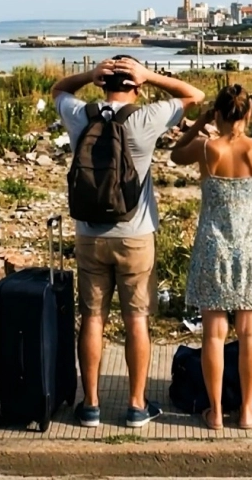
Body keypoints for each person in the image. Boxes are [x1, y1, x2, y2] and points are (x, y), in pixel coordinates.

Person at [53, 56, 205, 428]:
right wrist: (151, 75)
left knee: (92, 318)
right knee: (137, 320)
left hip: (90, 234)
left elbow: (58, 89)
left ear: (104, 84)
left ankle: (89, 404)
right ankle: (136, 405)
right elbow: (194, 95)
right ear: (136, 87)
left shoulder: (80, 114)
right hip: (135, 235)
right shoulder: (144, 118)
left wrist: (89, 74)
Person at [170, 85, 252, 430]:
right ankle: (248, 411)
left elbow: (175, 155)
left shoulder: (207, 148)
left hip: (213, 247)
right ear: (247, 114)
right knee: (250, 333)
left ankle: (216, 413)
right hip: (251, 248)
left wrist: (199, 123)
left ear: (218, 114)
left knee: (213, 335)